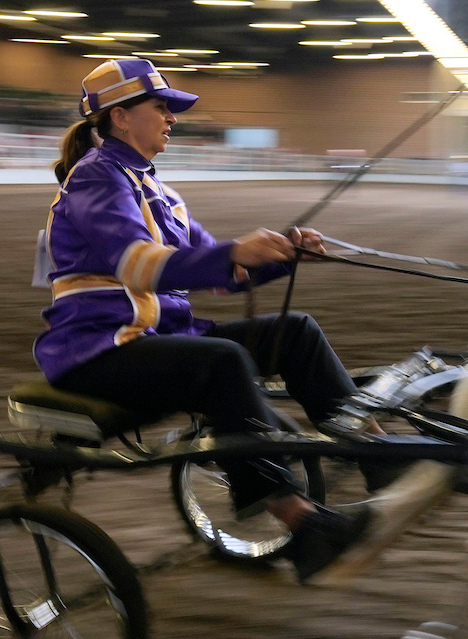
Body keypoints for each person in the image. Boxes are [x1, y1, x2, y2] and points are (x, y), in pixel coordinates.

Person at [35, 57, 369, 581]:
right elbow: (137, 264)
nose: (172, 117)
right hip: (98, 350)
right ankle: (299, 523)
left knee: (296, 333)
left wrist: (281, 257)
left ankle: (375, 453)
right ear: (120, 118)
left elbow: (221, 272)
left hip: (161, 339)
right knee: (223, 359)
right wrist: (237, 249)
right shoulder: (95, 179)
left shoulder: (160, 192)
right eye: (160, 107)